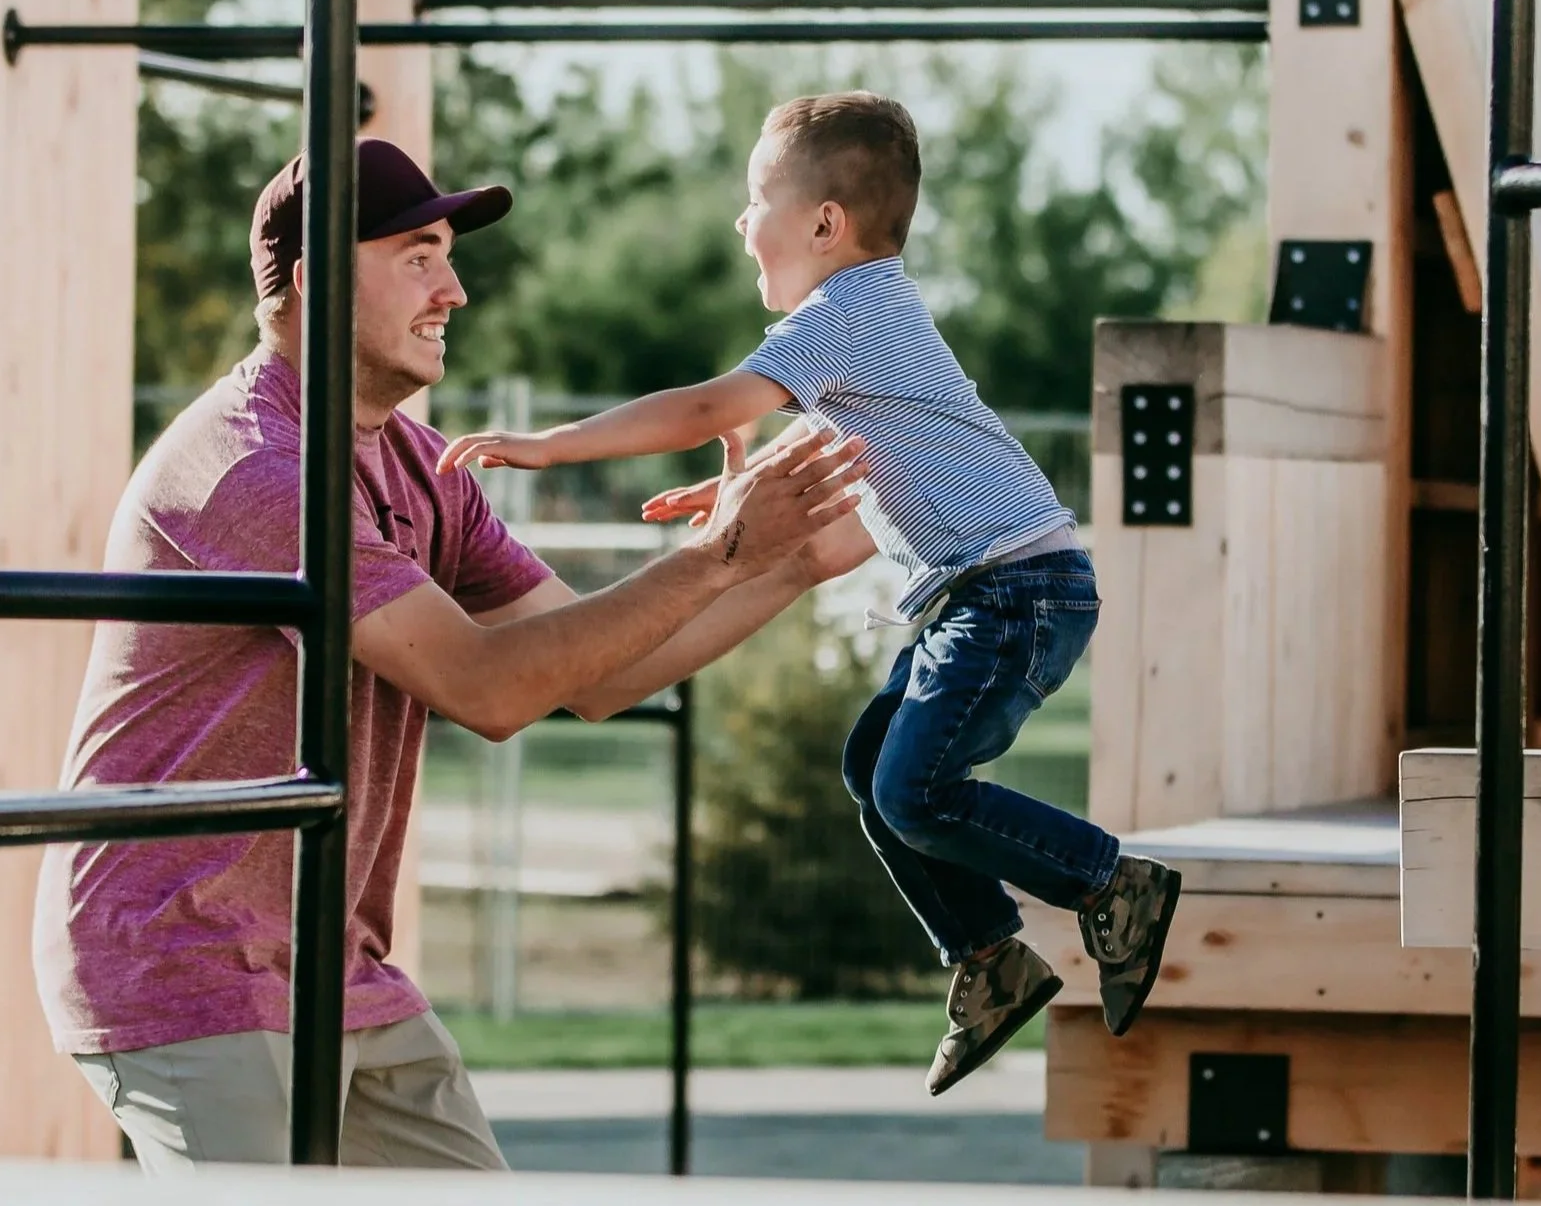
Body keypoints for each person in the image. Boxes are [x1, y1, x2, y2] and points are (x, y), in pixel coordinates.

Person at [31, 138, 873, 1172]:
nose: (456, 290)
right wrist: (715, 553)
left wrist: (786, 563)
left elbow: (596, 674)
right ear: (314, 280)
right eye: (419, 253)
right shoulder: (256, 467)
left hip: (332, 965)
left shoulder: (425, 466)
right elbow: (486, 686)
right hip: (181, 954)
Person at [436, 92, 1182, 1096]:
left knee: (916, 789)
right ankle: (991, 960)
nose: (742, 222)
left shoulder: (847, 308)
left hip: (1016, 587)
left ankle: (1110, 879)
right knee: (876, 771)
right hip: (989, 590)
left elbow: (708, 403)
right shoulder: (867, 323)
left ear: (824, 222)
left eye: (757, 200)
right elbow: (854, 452)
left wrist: (550, 445)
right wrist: (737, 492)